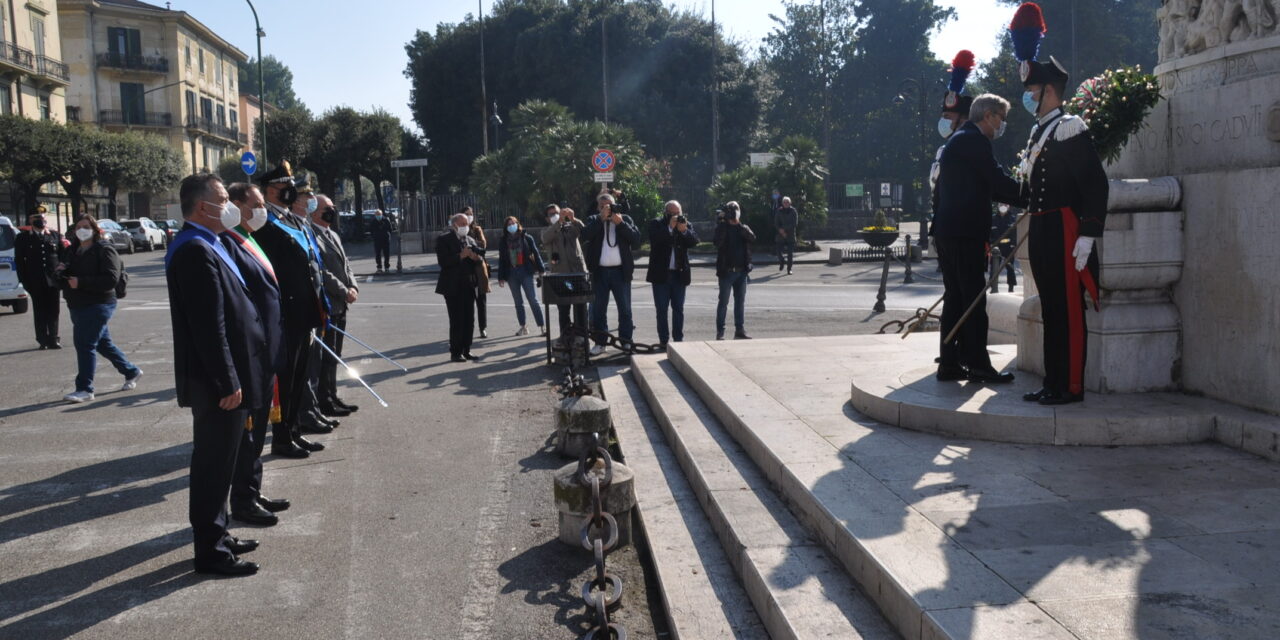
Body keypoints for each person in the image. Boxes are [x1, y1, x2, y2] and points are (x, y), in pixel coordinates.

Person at [165, 173, 268, 576]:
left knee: (223, 463)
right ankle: (210, 552)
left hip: (229, 374)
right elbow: (208, 326)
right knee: (212, 465)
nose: (230, 205)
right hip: (216, 382)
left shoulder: (212, 241)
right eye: (223, 198)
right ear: (200, 206)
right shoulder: (193, 248)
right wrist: (227, 381)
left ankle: (219, 534)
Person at [1011, 2, 1109, 405]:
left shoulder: (1069, 129)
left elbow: (1095, 184)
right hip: (1043, 227)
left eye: (1033, 91)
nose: (1029, 97)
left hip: (1067, 227)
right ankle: (1053, 381)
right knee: (1051, 306)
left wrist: (1088, 234)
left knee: (1068, 308)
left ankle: (1070, 386)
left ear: (1049, 91)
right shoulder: (1040, 134)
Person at [931, 94, 1024, 384]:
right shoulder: (973, 140)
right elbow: (996, 180)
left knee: (957, 300)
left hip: (951, 231)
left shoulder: (962, 139)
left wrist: (1021, 196)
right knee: (973, 301)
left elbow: (989, 187)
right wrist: (1032, 193)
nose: (1002, 125)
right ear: (989, 115)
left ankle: (950, 363)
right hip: (963, 233)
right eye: (1002, 118)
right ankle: (978, 364)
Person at [222, 182, 290, 528]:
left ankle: (253, 489)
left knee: (259, 428)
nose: (263, 209)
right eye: (258, 203)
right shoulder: (228, 243)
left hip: (266, 352)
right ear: (236, 205)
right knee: (247, 434)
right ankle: (243, 501)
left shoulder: (248, 239)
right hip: (250, 354)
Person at [250, 161, 326, 458]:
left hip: (305, 313)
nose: (290, 191)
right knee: (286, 378)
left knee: (299, 376)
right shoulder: (265, 223)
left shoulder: (293, 221)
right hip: (285, 313)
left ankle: (294, 431)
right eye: (285, 187)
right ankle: (281, 438)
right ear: (270, 190)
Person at [58, 214, 143, 403]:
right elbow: (64, 274)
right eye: (78, 226)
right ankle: (131, 371)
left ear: (95, 230)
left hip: (99, 303)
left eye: (86, 226)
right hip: (77, 303)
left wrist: (81, 282)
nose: (82, 230)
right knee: (103, 343)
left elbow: (111, 279)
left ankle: (84, 389)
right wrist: (60, 273)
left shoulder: (104, 249)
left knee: (85, 344)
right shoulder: (73, 250)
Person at [310, 194, 360, 415]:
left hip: (342, 304)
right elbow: (322, 272)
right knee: (326, 357)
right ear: (314, 211)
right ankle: (324, 401)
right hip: (328, 305)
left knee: (335, 355)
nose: (332, 211)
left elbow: (346, 264)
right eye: (327, 208)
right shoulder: (311, 235)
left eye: (332, 207)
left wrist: (354, 286)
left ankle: (332, 395)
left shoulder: (334, 235)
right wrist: (343, 289)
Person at [930, 50, 977, 251]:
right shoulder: (943, 150)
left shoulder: (972, 149)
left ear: (963, 120)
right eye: (944, 115)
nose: (944, 121)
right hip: (945, 231)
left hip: (963, 232)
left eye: (949, 116)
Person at [583, 190, 640, 356]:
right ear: (598, 208)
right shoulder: (594, 219)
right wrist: (601, 219)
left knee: (625, 310)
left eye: (609, 206)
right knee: (599, 310)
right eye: (602, 206)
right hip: (599, 273)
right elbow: (585, 235)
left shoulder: (625, 219)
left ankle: (626, 342)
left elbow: (636, 240)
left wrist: (620, 223)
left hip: (620, 273)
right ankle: (600, 343)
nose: (606, 209)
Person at [646, 200, 699, 348]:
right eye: (672, 213)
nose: (676, 216)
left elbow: (694, 241)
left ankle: (678, 340)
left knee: (678, 309)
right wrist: (670, 227)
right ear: (666, 213)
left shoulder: (686, 224)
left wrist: (683, 230)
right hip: (661, 275)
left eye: (678, 213)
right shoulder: (656, 223)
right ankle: (664, 341)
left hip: (679, 275)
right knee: (662, 309)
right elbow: (655, 239)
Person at [14, 206, 66, 349]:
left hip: (53, 280)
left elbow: (63, 257)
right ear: (31, 220)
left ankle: (54, 338)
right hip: (34, 280)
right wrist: (24, 281)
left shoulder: (54, 235)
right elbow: (19, 261)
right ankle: (42, 339)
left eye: (43, 218)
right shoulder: (23, 238)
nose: (41, 221)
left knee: (54, 310)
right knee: (40, 310)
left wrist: (62, 274)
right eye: (37, 218)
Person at [436, 212, 485, 362]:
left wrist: (476, 257)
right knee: (457, 319)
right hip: (452, 286)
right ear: (454, 224)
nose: (465, 227)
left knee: (469, 319)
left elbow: (481, 257)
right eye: (462, 224)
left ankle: (467, 349)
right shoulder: (444, 239)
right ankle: (455, 352)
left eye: (467, 224)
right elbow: (443, 262)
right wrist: (460, 256)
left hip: (469, 285)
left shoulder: (470, 239)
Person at [541, 204, 588, 345]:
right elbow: (546, 239)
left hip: (578, 273)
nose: (555, 215)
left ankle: (581, 337)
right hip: (561, 276)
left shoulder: (571, 226)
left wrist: (573, 219)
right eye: (551, 214)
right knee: (564, 309)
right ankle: (566, 336)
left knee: (580, 307)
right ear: (547, 218)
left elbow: (584, 231)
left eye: (557, 212)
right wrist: (558, 222)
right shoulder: (547, 230)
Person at [496, 215, 546, 336]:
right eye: (508, 224)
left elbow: (536, 253)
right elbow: (502, 259)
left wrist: (541, 269)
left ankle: (542, 327)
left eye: (513, 223)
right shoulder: (503, 241)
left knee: (533, 300)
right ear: (505, 227)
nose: (511, 226)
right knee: (518, 302)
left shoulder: (527, 237)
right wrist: (501, 277)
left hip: (525, 270)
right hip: (511, 273)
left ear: (518, 224)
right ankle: (523, 326)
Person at [714, 201, 755, 341]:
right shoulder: (722, 227)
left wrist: (738, 224)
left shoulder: (743, 227)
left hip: (741, 271)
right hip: (726, 271)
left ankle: (739, 330)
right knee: (723, 303)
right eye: (731, 210)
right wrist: (723, 222)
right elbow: (717, 243)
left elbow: (752, 238)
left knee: (740, 302)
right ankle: (720, 332)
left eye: (735, 210)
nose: (733, 212)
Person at [460, 207, 492, 338]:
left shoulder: (476, 229)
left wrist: (470, 244)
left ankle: (482, 327)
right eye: (466, 214)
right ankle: (466, 328)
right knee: (466, 302)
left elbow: (483, 245)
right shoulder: (459, 230)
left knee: (481, 300)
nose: (469, 216)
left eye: (471, 214)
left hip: (478, 267)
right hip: (465, 270)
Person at [991, 204, 1018, 292]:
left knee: (1010, 268)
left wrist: (1013, 245)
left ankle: (1011, 288)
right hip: (996, 247)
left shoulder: (1012, 218)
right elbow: (989, 233)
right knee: (994, 268)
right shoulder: (993, 219)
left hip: (1008, 247)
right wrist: (991, 244)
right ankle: (993, 288)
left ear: (1008, 206)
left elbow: (1015, 233)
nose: (1003, 207)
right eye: (1001, 205)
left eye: (1005, 205)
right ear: (998, 206)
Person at [774, 197, 798, 274]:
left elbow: (794, 224)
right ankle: (782, 261)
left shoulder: (793, 211)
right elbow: (776, 222)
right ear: (782, 203)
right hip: (780, 234)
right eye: (784, 202)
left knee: (790, 254)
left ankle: (789, 269)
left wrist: (784, 230)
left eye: (787, 202)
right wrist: (780, 230)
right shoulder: (779, 211)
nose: (786, 203)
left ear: (790, 203)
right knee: (778, 252)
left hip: (790, 235)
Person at [369, 209, 395, 273]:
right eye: (377, 215)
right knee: (378, 254)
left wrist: (388, 235)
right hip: (377, 240)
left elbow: (390, 229)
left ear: (381, 214)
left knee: (386, 254)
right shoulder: (373, 221)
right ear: (375, 215)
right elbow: (371, 230)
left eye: (379, 215)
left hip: (385, 239)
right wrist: (374, 236)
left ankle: (387, 267)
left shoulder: (386, 220)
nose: (378, 216)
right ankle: (379, 267)